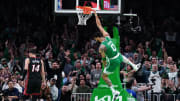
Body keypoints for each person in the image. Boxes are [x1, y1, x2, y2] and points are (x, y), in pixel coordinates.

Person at [93, 11, 141, 99]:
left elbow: (103, 58)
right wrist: (95, 15)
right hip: (119, 56)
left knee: (104, 76)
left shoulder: (102, 47)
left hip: (113, 61)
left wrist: (105, 65)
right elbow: (99, 26)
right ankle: (134, 66)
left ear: (97, 39)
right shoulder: (107, 36)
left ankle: (114, 91)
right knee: (121, 56)